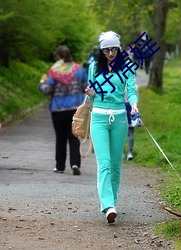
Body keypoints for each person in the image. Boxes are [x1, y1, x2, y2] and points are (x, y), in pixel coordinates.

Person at [85, 31, 138, 223]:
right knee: (104, 163)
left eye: (113, 49)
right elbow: (91, 96)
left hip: (120, 118)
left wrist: (133, 104)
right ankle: (107, 205)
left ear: (119, 48)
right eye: (106, 50)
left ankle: (112, 201)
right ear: (101, 50)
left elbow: (131, 90)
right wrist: (90, 92)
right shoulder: (94, 67)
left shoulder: (127, 68)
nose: (110, 53)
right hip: (98, 117)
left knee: (116, 164)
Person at [39, 45, 88, 175]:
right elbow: (87, 86)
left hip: (58, 109)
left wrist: (42, 83)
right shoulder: (79, 70)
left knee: (60, 138)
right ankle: (75, 163)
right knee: (74, 137)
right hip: (75, 109)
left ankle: (60, 166)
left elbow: (47, 90)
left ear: (58, 57)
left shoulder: (54, 71)